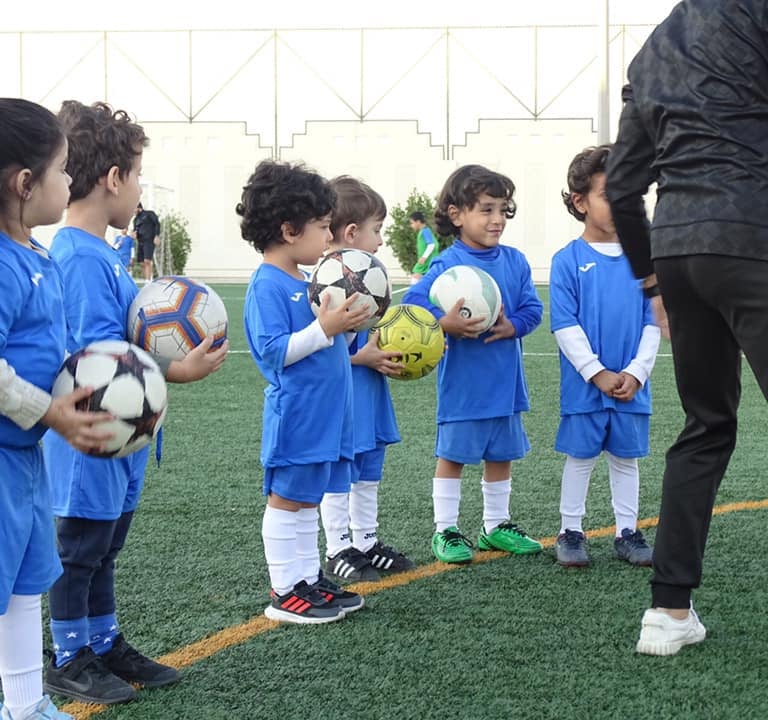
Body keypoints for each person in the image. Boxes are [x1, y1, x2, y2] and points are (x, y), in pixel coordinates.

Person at [42, 101, 228, 705]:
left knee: (107, 545)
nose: (141, 188)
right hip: (93, 437)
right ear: (113, 178)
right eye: (139, 174)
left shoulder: (103, 254)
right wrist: (179, 368)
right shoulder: (76, 256)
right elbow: (99, 359)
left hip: (124, 438)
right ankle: (68, 656)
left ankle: (104, 641)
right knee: (81, 549)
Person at [605, 0, 768, 656]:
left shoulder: (652, 49)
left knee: (705, 427)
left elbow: (621, 189)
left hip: (678, 251)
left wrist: (652, 282)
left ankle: (668, 612)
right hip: (754, 235)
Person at [0, 98, 117, 720]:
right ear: (25, 183)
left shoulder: (37, 257)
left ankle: (27, 705)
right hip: (3, 454)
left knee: (24, 583)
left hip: (22, 461)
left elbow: (58, 349)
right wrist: (48, 410)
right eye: (63, 170)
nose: (70, 181)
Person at [239, 161, 372, 624]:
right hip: (297, 416)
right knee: (287, 499)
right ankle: (284, 591)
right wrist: (325, 327)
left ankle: (308, 579)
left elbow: (335, 344)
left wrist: (350, 325)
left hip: (328, 415)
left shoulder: (310, 280)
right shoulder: (267, 285)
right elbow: (274, 352)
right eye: (322, 228)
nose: (329, 238)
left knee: (308, 500)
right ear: (290, 230)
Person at [403, 165, 544, 564]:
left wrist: (512, 325)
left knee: (501, 454)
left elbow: (533, 309)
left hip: (505, 381)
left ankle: (495, 525)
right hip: (464, 384)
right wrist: (442, 323)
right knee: (454, 456)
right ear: (456, 214)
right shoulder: (446, 265)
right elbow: (414, 304)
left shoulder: (515, 262)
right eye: (486, 209)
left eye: (502, 209)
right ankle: (445, 530)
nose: (497, 219)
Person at [550, 145, 660, 568]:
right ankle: (571, 531)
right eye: (610, 195)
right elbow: (565, 325)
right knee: (580, 459)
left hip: (632, 387)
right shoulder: (567, 261)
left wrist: (636, 372)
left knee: (625, 460)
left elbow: (655, 322)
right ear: (580, 202)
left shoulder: (645, 260)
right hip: (586, 386)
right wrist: (596, 373)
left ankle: (627, 532)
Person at [320, 176, 414, 583]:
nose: (380, 241)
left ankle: (366, 541)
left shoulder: (369, 276)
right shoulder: (325, 280)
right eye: (377, 231)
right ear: (352, 232)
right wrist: (364, 356)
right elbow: (322, 345)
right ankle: (337, 547)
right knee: (342, 468)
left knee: (369, 465)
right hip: (342, 394)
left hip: (370, 392)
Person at [132, 202, 160, 283]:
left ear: (139, 208)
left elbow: (157, 224)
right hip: (140, 242)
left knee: (147, 260)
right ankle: (146, 280)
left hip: (149, 240)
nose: (133, 211)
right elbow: (135, 230)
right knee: (142, 263)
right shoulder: (135, 220)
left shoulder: (149, 214)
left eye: (134, 208)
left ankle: (149, 280)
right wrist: (134, 234)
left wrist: (157, 236)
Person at [409, 211, 437, 284]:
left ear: (418, 222)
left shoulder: (425, 231)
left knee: (415, 279)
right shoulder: (424, 231)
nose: (411, 225)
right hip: (426, 262)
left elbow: (431, 245)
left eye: (412, 223)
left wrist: (424, 257)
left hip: (426, 262)